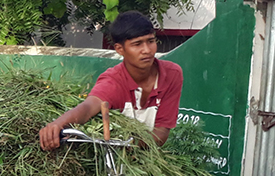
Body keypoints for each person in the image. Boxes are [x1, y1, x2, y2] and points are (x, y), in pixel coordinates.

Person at [39, 11, 182, 150]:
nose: (147, 50)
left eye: (151, 41)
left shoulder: (171, 74)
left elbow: (162, 132)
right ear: (119, 49)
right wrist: (57, 125)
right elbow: (88, 107)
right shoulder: (113, 82)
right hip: (111, 156)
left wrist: (127, 145)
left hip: (143, 154)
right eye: (137, 44)